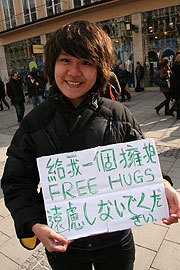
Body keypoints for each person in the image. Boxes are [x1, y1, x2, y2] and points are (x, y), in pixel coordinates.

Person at [1, 21, 180, 270]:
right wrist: (33, 223)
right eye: (65, 60)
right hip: (65, 246)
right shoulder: (35, 123)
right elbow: (16, 181)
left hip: (116, 243)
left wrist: (162, 187)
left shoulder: (119, 114)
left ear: (100, 68)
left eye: (86, 62)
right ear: (52, 63)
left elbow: (141, 166)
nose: (74, 72)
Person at [168, 53, 180, 119]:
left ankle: (172, 110)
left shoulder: (174, 67)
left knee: (178, 100)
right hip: (178, 86)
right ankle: (177, 113)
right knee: (178, 101)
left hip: (175, 86)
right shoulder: (178, 66)